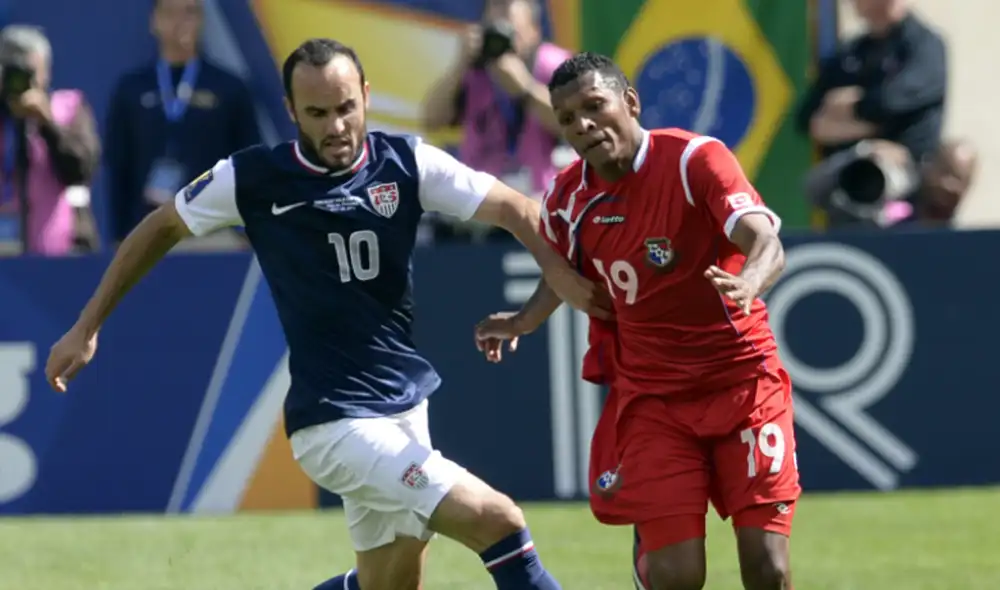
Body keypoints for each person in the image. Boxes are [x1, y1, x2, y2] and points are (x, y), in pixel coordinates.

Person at [45, 38, 610, 590]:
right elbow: (162, 225)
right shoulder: (255, 178)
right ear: (291, 111)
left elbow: (518, 208)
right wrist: (86, 326)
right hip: (335, 424)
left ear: (365, 94)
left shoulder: (404, 162)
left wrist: (556, 278)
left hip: (405, 407)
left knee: (388, 583)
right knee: (499, 522)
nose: (337, 126)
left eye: (346, 108)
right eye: (317, 113)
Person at [474, 52, 799, 590]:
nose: (583, 125)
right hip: (655, 400)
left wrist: (748, 282)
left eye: (594, 106)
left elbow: (765, 241)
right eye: (567, 117)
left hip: (743, 384)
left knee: (768, 569)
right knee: (677, 577)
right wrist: (522, 321)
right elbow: (563, 269)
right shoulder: (569, 197)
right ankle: (648, 554)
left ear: (630, 102)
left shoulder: (696, 160)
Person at [104, 0, 260, 245]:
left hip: (214, 233)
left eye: (190, 12)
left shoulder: (229, 88)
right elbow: (118, 166)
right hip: (148, 233)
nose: (181, 22)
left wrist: (246, 232)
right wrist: (119, 235)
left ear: (202, 20)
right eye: (170, 13)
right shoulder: (132, 89)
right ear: (153, 21)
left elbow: (249, 164)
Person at [796, 0, 946, 230]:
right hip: (845, 179)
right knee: (816, 185)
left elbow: (892, 101)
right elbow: (809, 119)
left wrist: (849, 108)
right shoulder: (851, 53)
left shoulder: (924, 46)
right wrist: (870, 132)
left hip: (906, 179)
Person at [0, 24, 100, 255]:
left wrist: (47, 124)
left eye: (29, 72)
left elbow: (81, 171)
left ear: (46, 71)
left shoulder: (69, 107)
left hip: (61, 256)